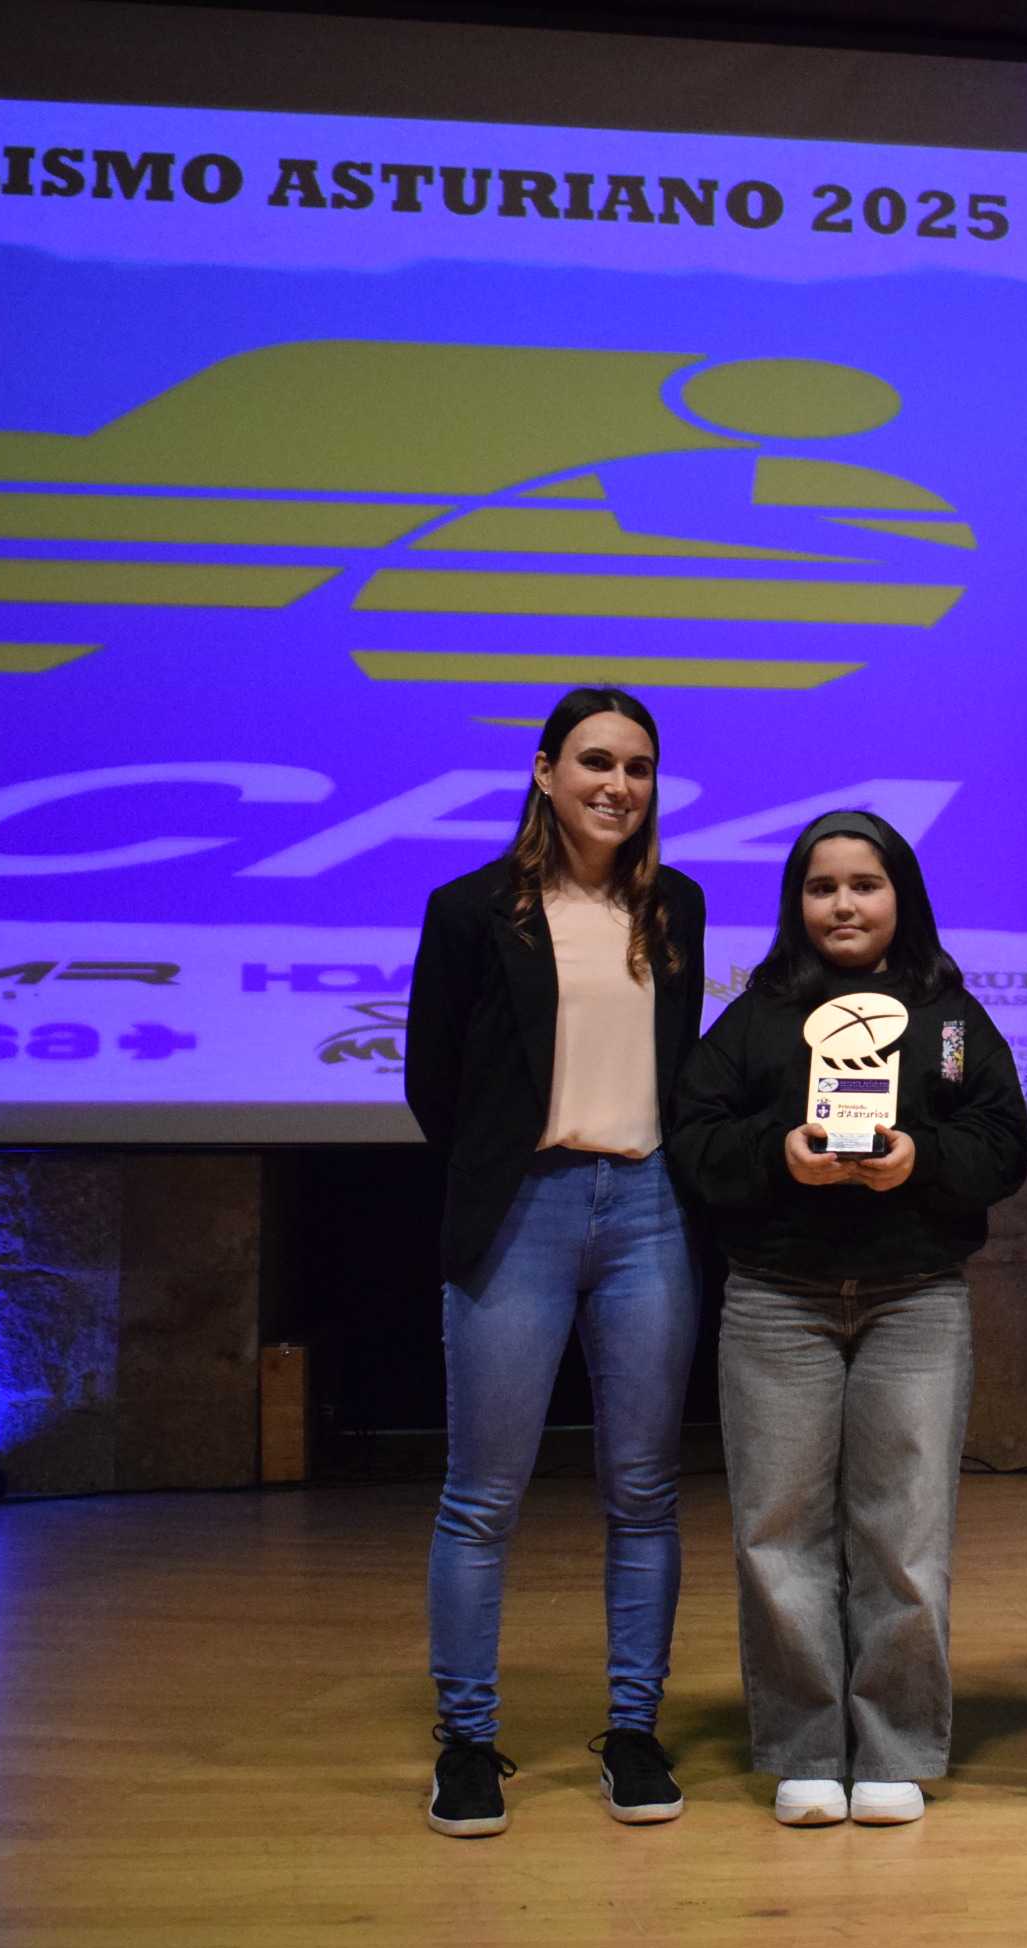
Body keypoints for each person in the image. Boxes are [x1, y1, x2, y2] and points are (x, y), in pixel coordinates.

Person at [667, 811, 1027, 1829]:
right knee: (777, 1534)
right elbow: (694, 1137)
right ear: (795, 902)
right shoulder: (755, 1018)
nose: (842, 903)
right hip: (777, 1299)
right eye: (821, 885)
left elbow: (1003, 1141)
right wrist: (777, 1154)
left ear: (899, 895)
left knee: (904, 1535)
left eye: (864, 883)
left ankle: (896, 1747)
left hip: (913, 1296)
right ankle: (802, 1749)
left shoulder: (952, 1018)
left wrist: (920, 1157)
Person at [403, 686, 705, 1837]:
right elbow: (435, 1083)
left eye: (635, 765)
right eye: (593, 761)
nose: (615, 784)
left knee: (642, 1489)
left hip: (647, 1211)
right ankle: (468, 1743)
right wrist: (512, 1163)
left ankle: (633, 1729)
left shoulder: (676, 904)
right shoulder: (472, 908)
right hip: (519, 1208)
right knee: (482, 1496)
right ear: (543, 772)